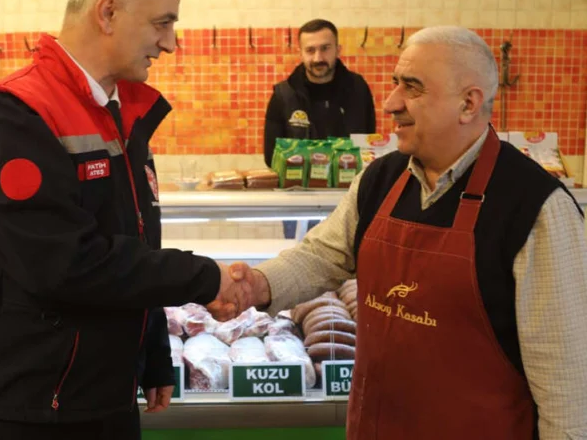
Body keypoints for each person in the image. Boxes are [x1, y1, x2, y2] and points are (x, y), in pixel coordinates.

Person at [213, 26, 587, 439]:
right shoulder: (382, 179)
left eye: (412, 88)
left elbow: (567, 383)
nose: (391, 103)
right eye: (395, 84)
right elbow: (319, 256)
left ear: (468, 103)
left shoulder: (536, 207)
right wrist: (257, 285)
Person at [0, 0, 247, 440]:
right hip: (26, 410)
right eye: (162, 22)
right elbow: (64, 265)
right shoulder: (9, 116)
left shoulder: (120, 112)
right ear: (107, 12)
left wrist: (152, 353)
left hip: (104, 399)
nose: (170, 43)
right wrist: (202, 277)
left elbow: (130, 244)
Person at [263, 19, 376, 238]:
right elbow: (271, 157)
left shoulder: (358, 90)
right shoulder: (283, 96)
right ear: (300, 53)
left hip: (349, 203)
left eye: (325, 48)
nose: (318, 58)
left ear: (338, 49)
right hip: (298, 206)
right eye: (310, 50)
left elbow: (367, 146)